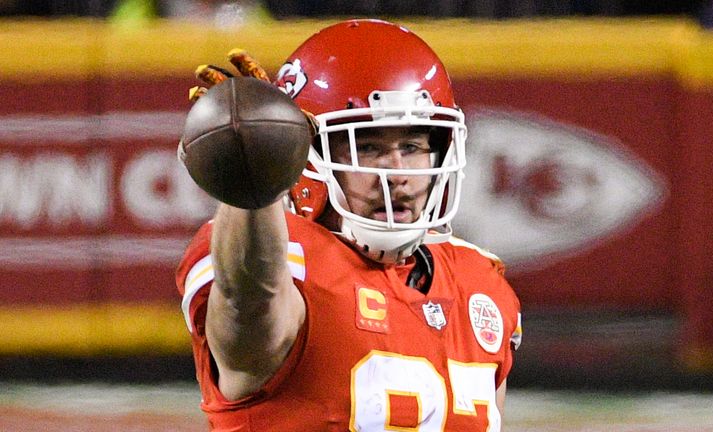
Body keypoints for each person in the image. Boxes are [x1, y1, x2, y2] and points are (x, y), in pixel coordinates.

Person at [176, 19, 522, 431]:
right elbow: (249, 298)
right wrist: (253, 177)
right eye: (369, 147)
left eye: (411, 146)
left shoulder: (477, 283)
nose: (397, 173)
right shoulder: (285, 264)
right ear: (307, 158)